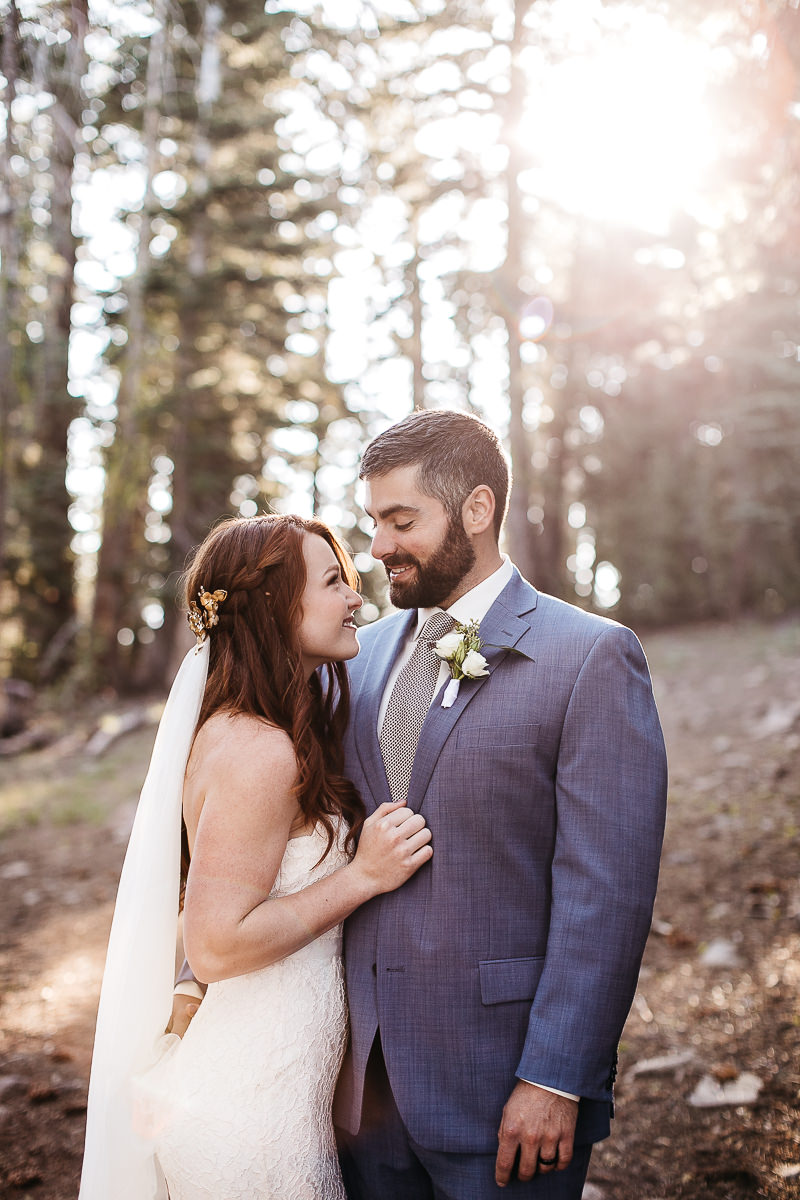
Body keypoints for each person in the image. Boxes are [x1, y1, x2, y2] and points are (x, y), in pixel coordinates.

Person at [333, 408, 668, 1199]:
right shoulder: (356, 656)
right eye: (373, 522)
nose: (377, 548)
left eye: (400, 520)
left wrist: (556, 1078)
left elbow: (606, 894)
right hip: (360, 1099)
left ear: (476, 511)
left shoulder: (589, 657)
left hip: (503, 1091)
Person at [79, 514, 434, 1200]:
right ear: (277, 605)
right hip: (252, 1118)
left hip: (270, 1095)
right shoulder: (258, 751)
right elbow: (213, 945)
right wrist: (362, 877)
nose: (356, 597)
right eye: (334, 582)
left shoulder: (262, 727)